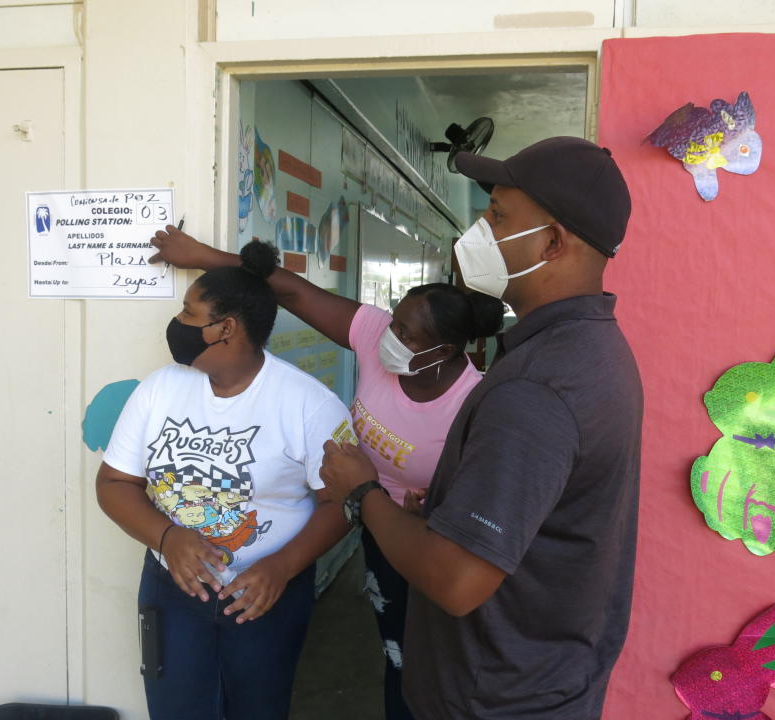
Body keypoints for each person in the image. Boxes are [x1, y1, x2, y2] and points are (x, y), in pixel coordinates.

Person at [320, 136, 644, 720]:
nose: (479, 229)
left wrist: (363, 493)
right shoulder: (593, 347)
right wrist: (447, 504)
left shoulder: (538, 386)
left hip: (491, 698)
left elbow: (458, 579)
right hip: (545, 678)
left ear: (552, 241)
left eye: (498, 214)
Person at [149, 227, 505, 720]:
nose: (390, 339)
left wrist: (438, 504)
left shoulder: (473, 402)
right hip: (375, 523)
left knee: (438, 651)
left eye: (407, 335)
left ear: (443, 353)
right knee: (395, 647)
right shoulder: (376, 337)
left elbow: (489, 494)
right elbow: (291, 289)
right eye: (393, 323)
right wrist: (203, 256)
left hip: (430, 536)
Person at [96, 241, 353, 720]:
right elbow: (113, 484)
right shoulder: (160, 389)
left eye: (189, 313)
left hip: (266, 594)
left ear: (226, 327)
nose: (177, 323)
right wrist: (168, 537)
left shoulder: (308, 405)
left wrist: (282, 566)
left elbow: (344, 504)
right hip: (173, 591)